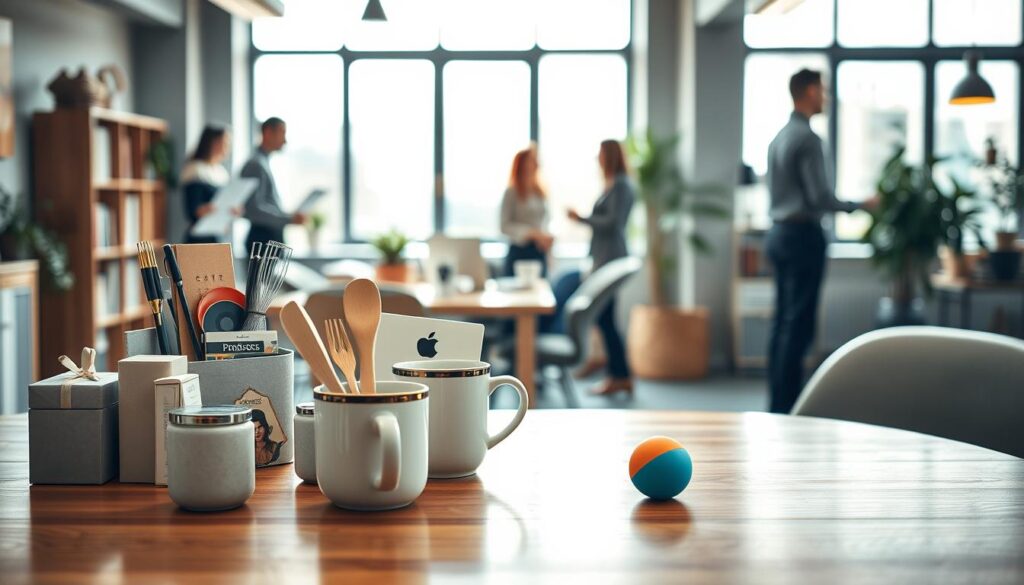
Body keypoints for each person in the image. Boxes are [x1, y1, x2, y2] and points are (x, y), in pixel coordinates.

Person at [765, 69, 874, 414]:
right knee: (799, 325)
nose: (825, 96)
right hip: (802, 238)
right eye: (822, 90)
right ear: (809, 92)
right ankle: (790, 407)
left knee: (782, 321)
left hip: (778, 235)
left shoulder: (779, 138)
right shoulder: (809, 140)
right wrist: (861, 205)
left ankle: (778, 403)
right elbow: (819, 198)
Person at [567, 139, 636, 396]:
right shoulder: (614, 185)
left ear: (610, 156)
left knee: (606, 319)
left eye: (600, 155)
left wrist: (581, 218)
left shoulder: (621, 185)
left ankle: (620, 375)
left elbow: (612, 223)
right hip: (603, 258)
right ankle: (615, 372)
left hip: (611, 259)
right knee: (605, 319)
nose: (598, 159)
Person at [240, 117, 306, 251]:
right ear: (268, 133)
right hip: (262, 240)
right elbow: (254, 209)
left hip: (269, 238)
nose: (285, 141)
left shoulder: (264, 162)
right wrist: (288, 219)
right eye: (282, 133)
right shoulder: (255, 164)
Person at [501, 144, 554, 278]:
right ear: (522, 164)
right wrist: (531, 233)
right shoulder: (511, 192)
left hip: (538, 251)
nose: (537, 162)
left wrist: (546, 237)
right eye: (532, 159)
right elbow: (504, 226)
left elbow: (545, 221)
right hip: (519, 252)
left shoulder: (540, 193)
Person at [181, 124, 231, 244]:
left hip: (218, 236)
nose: (228, 147)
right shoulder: (195, 170)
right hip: (199, 239)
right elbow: (192, 210)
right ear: (212, 143)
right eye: (224, 142)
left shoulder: (221, 172)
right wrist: (214, 209)